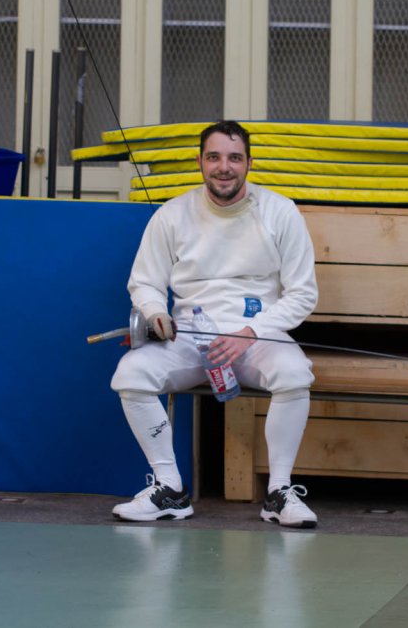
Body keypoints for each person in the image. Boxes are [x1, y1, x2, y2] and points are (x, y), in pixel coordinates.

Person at [110, 120, 319, 528]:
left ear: (249, 163)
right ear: (200, 162)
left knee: (295, 374)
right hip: (190, 336)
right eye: (214, 157)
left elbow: (302, 294)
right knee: (130, 375)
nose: (224, 167)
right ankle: (169, 488)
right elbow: (145, 282)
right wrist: (155, 313)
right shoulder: (173, 214)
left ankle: (279, 492)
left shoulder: (280, 211)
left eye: (234, 158)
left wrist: (250, 333)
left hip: (259, 334)